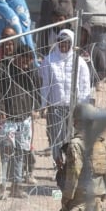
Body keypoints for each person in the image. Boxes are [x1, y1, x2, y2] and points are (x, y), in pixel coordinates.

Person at [0, 43, 41, 199]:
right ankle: (1, 187)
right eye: (24, 61)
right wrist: (0, 109)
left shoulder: (31, 70)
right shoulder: (3, 68)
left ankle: (16, 186)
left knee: (20, 153)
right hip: (7, 119)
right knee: (5, 153)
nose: (26, 65)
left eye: (29, 62)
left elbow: (36, 90)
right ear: (17, 57)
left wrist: (36, 108)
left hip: (24, 118)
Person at [40, 30, 92, 165]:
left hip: (73, 108)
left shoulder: (79, 62)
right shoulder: (49, 60)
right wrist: (43, 104)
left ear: (72, 43)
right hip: (55, 107)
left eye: (66, 43)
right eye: (61, 42)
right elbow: (45, 84)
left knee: (71, 138)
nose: (63, 45)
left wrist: (82, 108)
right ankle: (58, 165)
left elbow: (85, 85)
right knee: (55, 137)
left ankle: (71, 166)